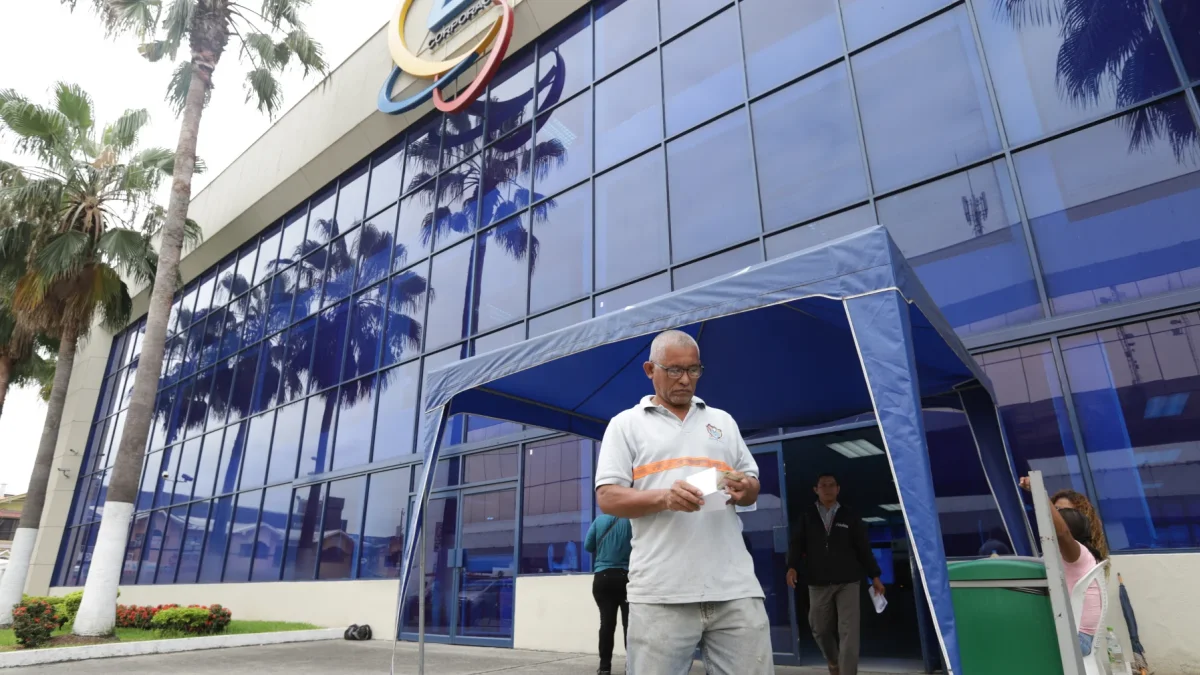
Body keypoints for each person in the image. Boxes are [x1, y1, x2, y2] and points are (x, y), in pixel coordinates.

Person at [595, 330, 772, 675]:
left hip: (734, 588)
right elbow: (608, 497)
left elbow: (752, 484)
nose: (686, 380)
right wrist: (665, 497)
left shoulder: (722, 421)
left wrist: (745, 489)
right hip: (661, 592)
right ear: (650, 369)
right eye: (674, 370)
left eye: (694, 370)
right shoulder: (625, 425)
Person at [785, 473, 885, 675]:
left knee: (849, 632)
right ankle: (832, 660)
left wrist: (874, 575)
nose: (828, 488)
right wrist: (792, 566)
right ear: (816, 490)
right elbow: (797, 544)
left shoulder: (849, 516)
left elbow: (863, 547)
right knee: (819, 629)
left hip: (848, 581)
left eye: (832, 485)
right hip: (817, 581)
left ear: (838, 489)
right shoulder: (807, 516)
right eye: (823, 485)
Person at [1021, 477, 1107, 656]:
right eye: (1056, 509)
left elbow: (1062, 533)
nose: (1056, 514)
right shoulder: (1058, 555)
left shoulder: (1077, 554)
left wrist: (1039, 492)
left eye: (1062, 511)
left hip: (1077, 637)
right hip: (1069, 631)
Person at [584, 514, 633, 675]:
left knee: (606, 624)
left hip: (602, 578)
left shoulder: (599, 520)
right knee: (630, 625)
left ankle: (604, 667)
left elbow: (588, 546)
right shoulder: (631, 520)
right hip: (626, 578)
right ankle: (631, 667)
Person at [1052, 488, 1111, 562]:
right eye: (1056, 509)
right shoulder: (1051, 551)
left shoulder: (1081, 553)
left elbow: (1063, 533)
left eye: (1067, 511)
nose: (1059, 516)